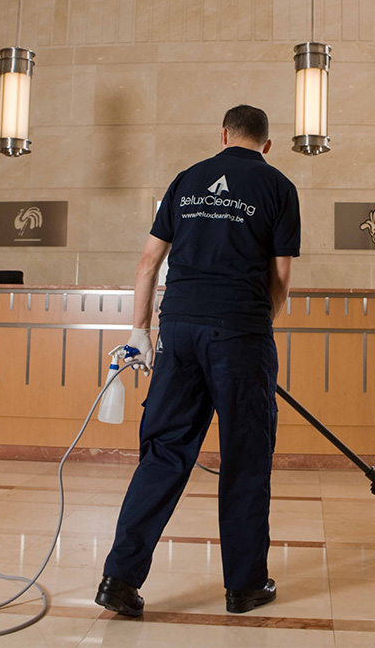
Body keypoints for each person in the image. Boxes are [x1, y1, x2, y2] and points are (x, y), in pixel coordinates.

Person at [95, 104, 300, 618]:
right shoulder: (278, 187)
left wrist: (140, 333)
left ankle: (119, 580)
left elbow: (148, 263)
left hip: (179, 331)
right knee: (245, 457)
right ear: (267, 145)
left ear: (223, 135)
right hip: (241, 333)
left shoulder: (186, 180)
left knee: (164, 453)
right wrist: (258, 324)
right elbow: (280, 278)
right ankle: (245, 586)